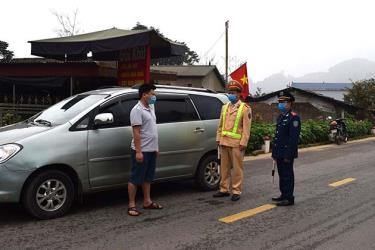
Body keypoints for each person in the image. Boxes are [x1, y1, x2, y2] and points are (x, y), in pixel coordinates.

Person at [128, 83, 163, 216]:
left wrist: (156, 147)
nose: (154, 96)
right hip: (141, 150)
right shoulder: (136, 110)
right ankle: (131, 205)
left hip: (151, 149)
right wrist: (138, 151)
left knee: (148, 178)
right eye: (152, 94)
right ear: (144, 95)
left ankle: (147, 201)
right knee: (135, 178)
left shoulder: (151, 107)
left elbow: (153, 129)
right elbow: (136, 132)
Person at [213, 80, 252, 201]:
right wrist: (218, 138)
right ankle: (224, 189)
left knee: (237, 168)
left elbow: (246, 128)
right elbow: (220, 125)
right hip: (224, 142)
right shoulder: (224, 107)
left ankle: (236, 190)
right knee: (224, 167)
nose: (231, 94)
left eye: (233, 92)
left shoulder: (245, 109)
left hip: (237, 144)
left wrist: (243, 143)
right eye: (229, 92)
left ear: (239, 94)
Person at [271, 91, 301, 206]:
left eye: (283, 102)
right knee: (282, 174)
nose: (280, 104)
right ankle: (283, 194)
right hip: (279, 152)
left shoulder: (294, 118)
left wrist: (289, 154)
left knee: (287, 175)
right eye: (279, 102)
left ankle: (289, 198)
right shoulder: (281, 117)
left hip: (287, 152)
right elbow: (278, 136)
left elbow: (293, 139)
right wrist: (274, 152)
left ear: (289, 103)